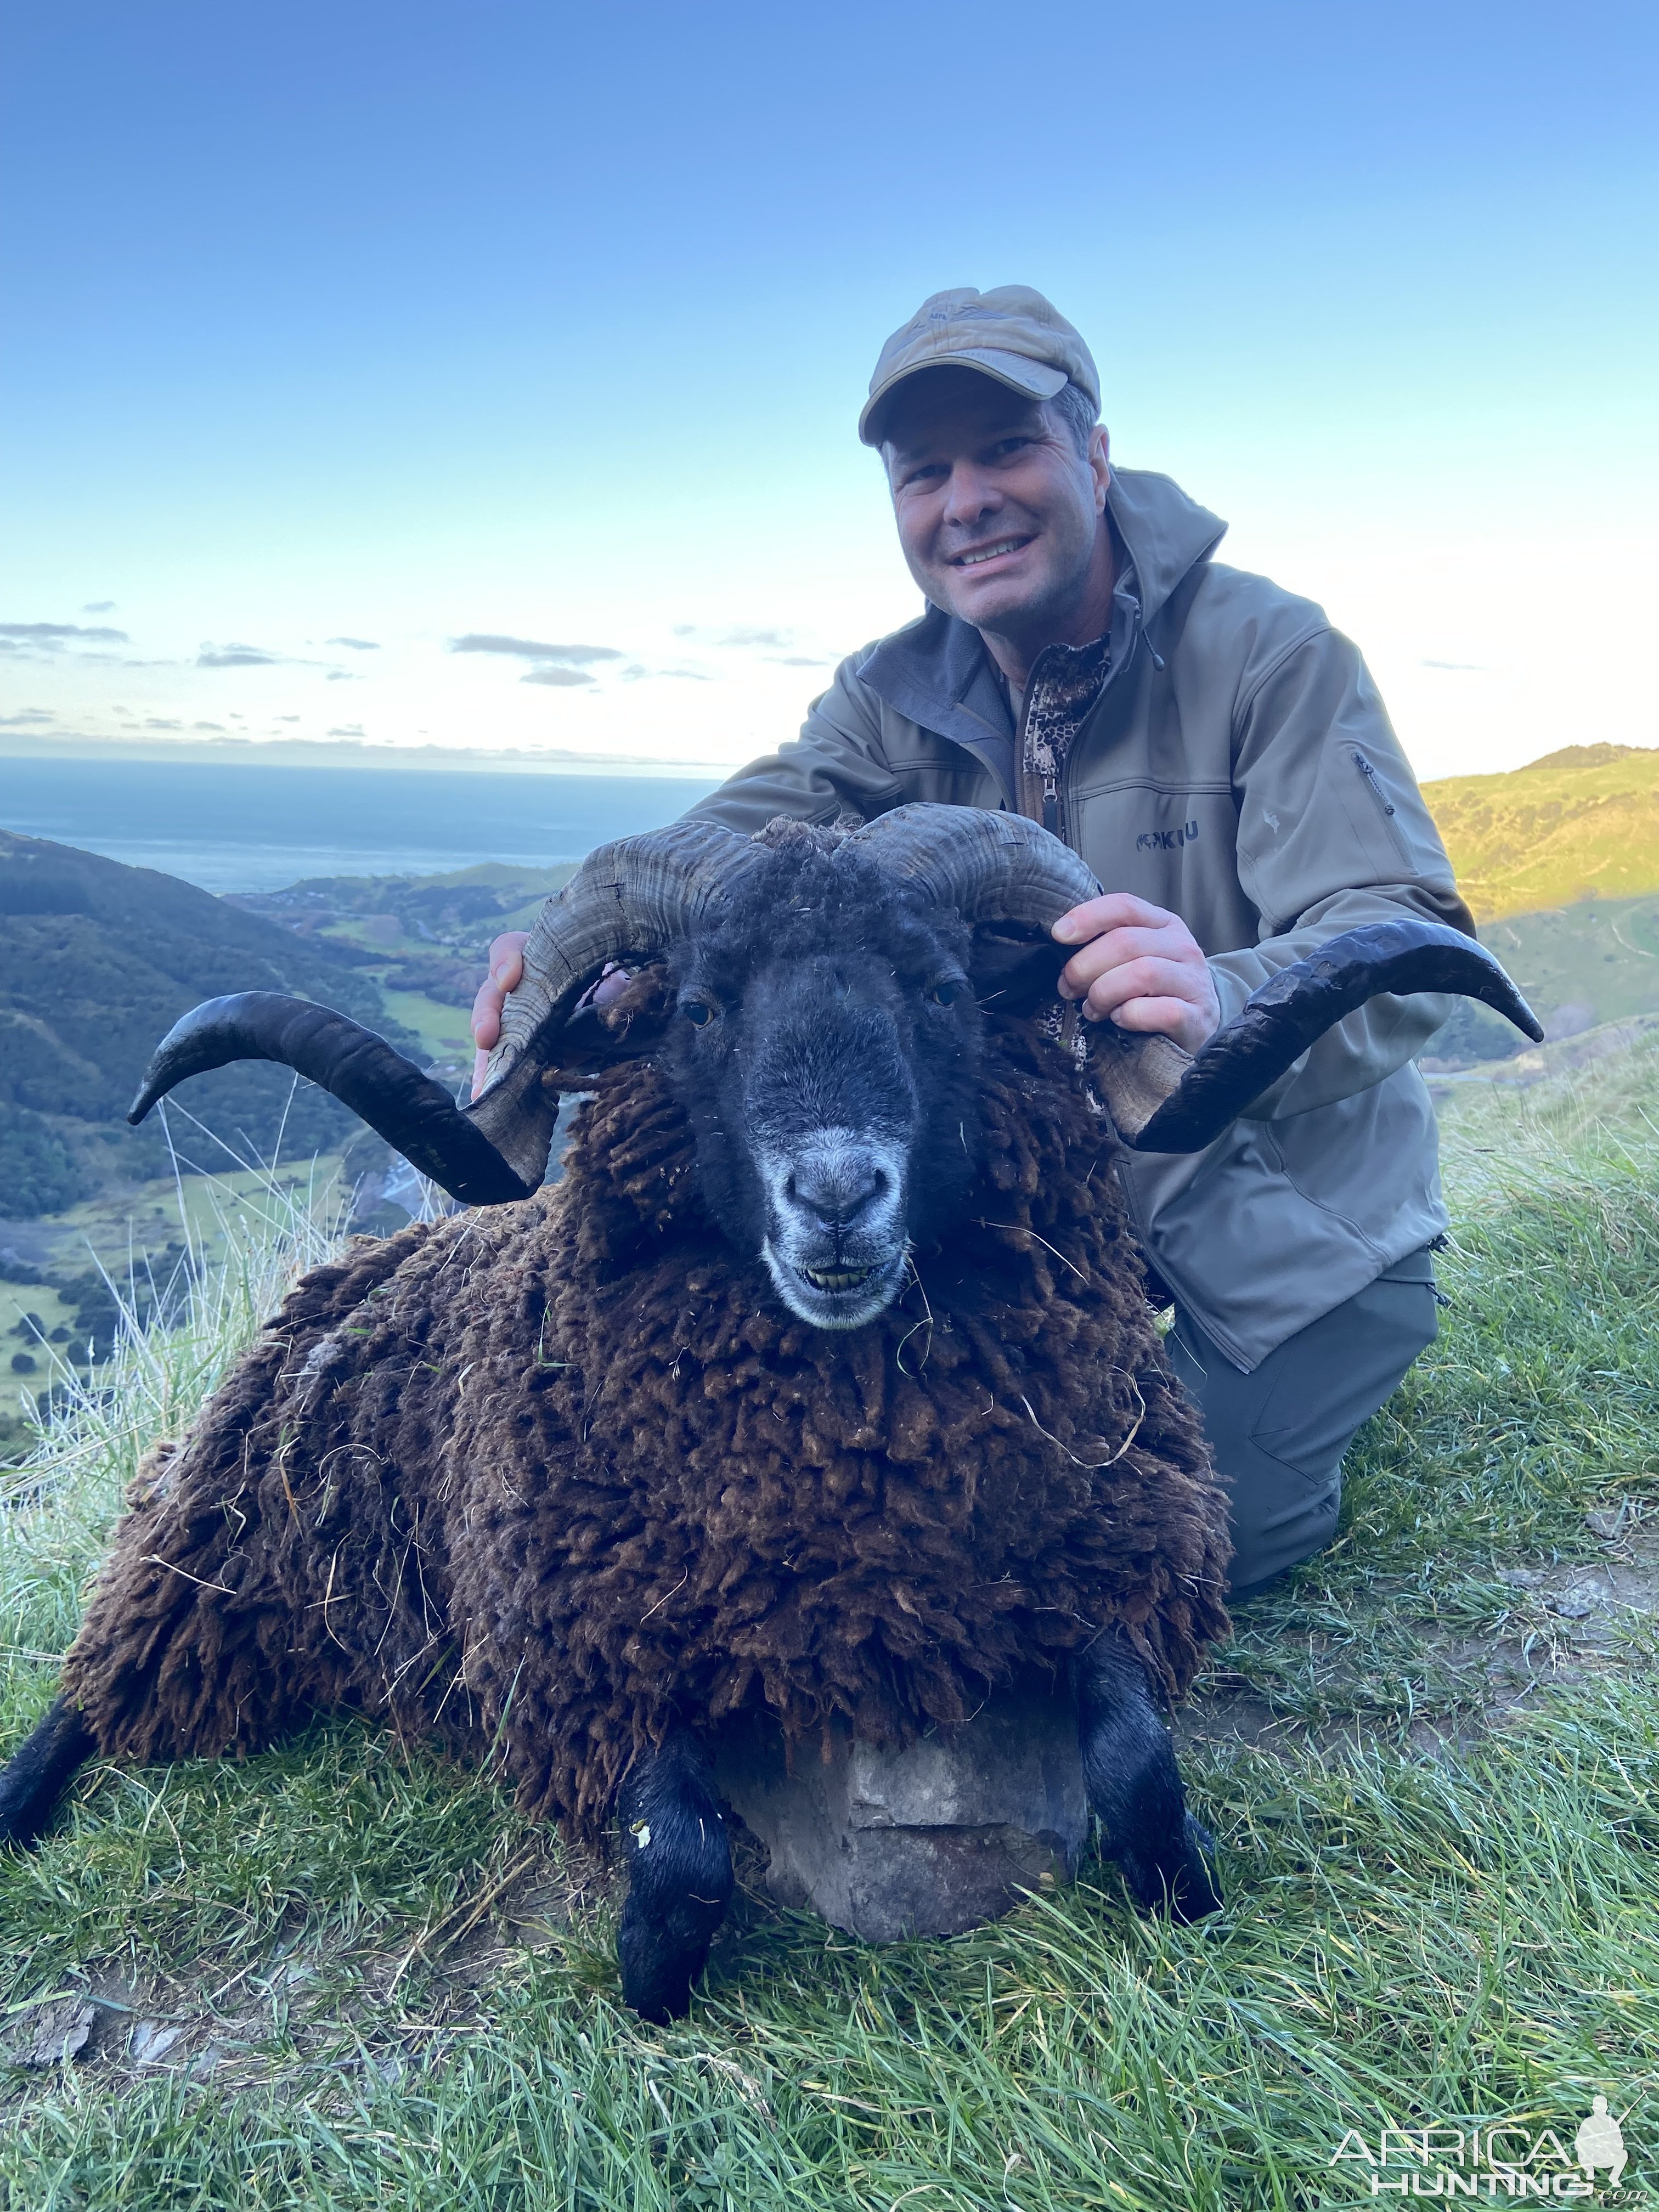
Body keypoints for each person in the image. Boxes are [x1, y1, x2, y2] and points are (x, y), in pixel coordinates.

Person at [472, 284, 1472, 1601]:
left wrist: (1217, 999)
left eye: (1008, 449)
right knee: (838, 1520)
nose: (968, 501)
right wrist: (563, 954)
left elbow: (1401, 938)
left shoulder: (1272, 655)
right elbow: (721, 863)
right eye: (924, 472)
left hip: (1268, 1231)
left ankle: (1314, 1386)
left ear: (1097, 457)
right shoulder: (889, 699)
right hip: (1024, 1222)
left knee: (1135, 1557)